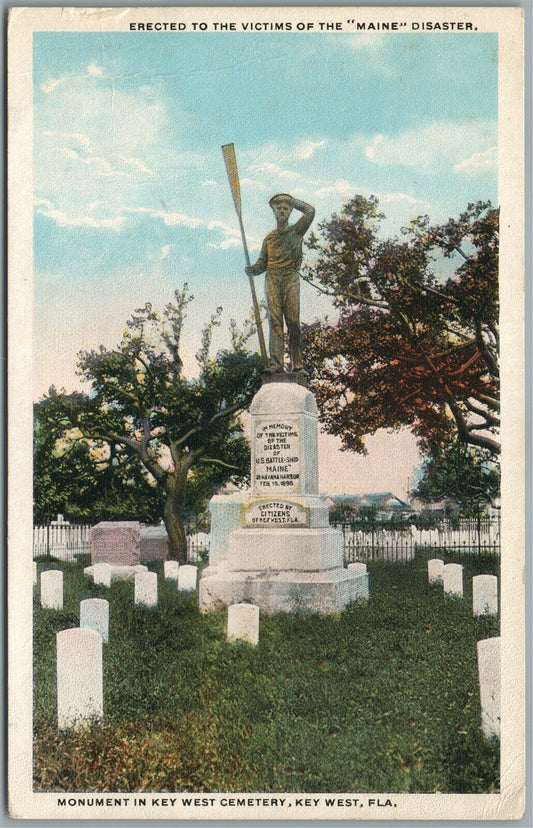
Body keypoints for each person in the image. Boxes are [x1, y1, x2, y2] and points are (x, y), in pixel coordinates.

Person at [246, 193, 315, 373]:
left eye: (286, 208)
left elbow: (310, 211)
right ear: (274, 212)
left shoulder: (297, 230)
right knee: (275, 322)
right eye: (279, 208)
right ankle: (276, 364)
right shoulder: (269, 239)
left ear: (290, 211)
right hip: (272, 278)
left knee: (292, 321)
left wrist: (294, 201)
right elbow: (263, 264)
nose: (282, 211)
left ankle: (297, 364)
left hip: (290, 277)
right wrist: (253, 269)